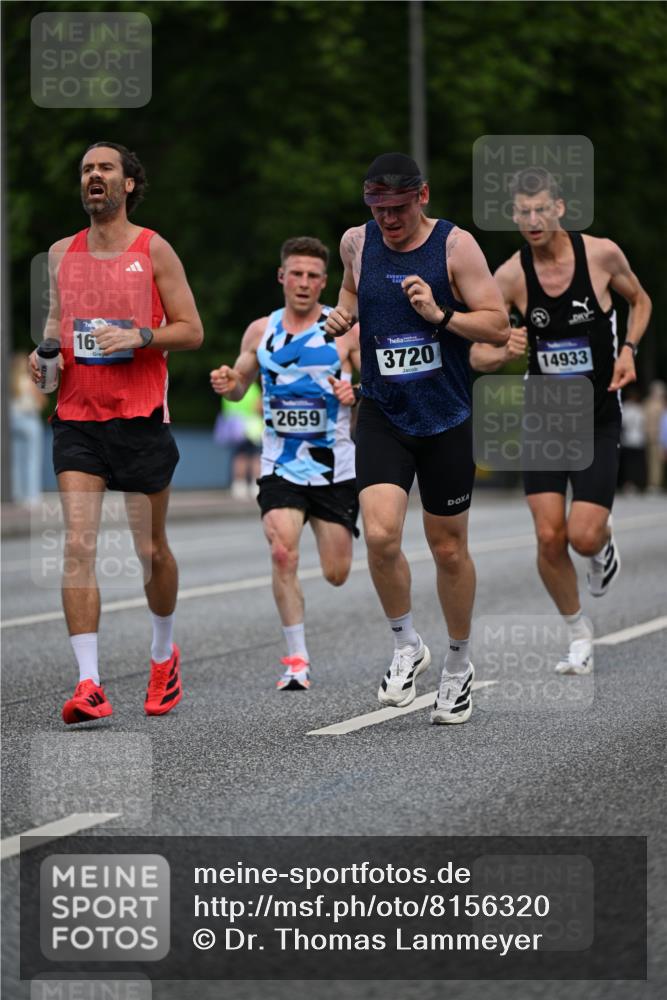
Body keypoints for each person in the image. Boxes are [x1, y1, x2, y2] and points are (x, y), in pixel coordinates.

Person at [324, 152, 509, 725]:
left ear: (422, 197)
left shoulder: (455, 247)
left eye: (398, 208)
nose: (388, 220)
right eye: (377, 209)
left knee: (448, 548)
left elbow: (498, 324)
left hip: (447, 415)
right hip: (383, 409)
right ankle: (407, 644)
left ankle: (457, 664)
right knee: (380, 536)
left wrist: (440, 314)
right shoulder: (356, 242)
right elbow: (352, 294)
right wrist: (341, 316)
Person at [29, 141, 204, 724]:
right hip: (78, 419)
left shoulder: (153, 249)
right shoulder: (60, 254)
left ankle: (162, 654)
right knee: (78, 545)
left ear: (128, 184)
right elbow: (57, 327)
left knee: (150, 552)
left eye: (104, 168)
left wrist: (141, 337)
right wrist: (43, 359)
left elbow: (193, 331)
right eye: (85, 169)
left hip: (140, 417)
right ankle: (89, 684)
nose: (93, 176)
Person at [471, 167, 652, 674]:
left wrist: (629, 350)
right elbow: (476, 358)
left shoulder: (601, 255)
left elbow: (640, 301)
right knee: (549, 538)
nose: (533, 219)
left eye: (541, 210)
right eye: (523, 212)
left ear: (560, 209)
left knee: (583, 536)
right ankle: (577, 633)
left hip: (597, 418)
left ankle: (602, 544)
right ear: (514, 215)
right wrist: (501, 348)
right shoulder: (509, 276)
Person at [210, 237, 360, 691]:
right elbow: (240, 385)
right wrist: (229, 382)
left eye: (313, 275)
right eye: (296, 273)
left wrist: (356, 394)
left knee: (336, 574)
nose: (304, 283)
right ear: (282, 277)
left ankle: (329, 537)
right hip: (279, 463)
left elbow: (374, 388)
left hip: (335, 467)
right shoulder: (261, 331)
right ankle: (296, 659)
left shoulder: (346, 330)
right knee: (282, 551)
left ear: (324, 282)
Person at [10, 352, 47, 506]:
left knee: (16, 460)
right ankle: (31, 497)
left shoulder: (10, 382)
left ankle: (17, 494)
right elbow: (42, 401)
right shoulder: (29, 381)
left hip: (12, 421)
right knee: (32, 459)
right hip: (29, 420)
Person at [214, 383, 263, 499]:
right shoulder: (252, 388)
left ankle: (238, 486)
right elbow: (258, 408)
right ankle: (254, 485)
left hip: (236, 428)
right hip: (253, 427)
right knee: (255, 457)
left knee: (239, 457)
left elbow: (226, 409)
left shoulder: (228, 389)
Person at [619, 386, 647, 493]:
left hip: (628, 439)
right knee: (637, 464)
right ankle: (636, 483)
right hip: (639, 439)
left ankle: (629, 484)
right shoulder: (640, 408)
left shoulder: (625, 408)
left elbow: (623, 424)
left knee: (628, 464)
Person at [644, 380, 666, 491]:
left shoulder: (661, 404)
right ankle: (653, 484)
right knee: (653, 461)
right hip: (651, 436)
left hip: (659, 437)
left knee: (656, 462)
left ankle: (655, 484)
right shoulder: (649, 403)